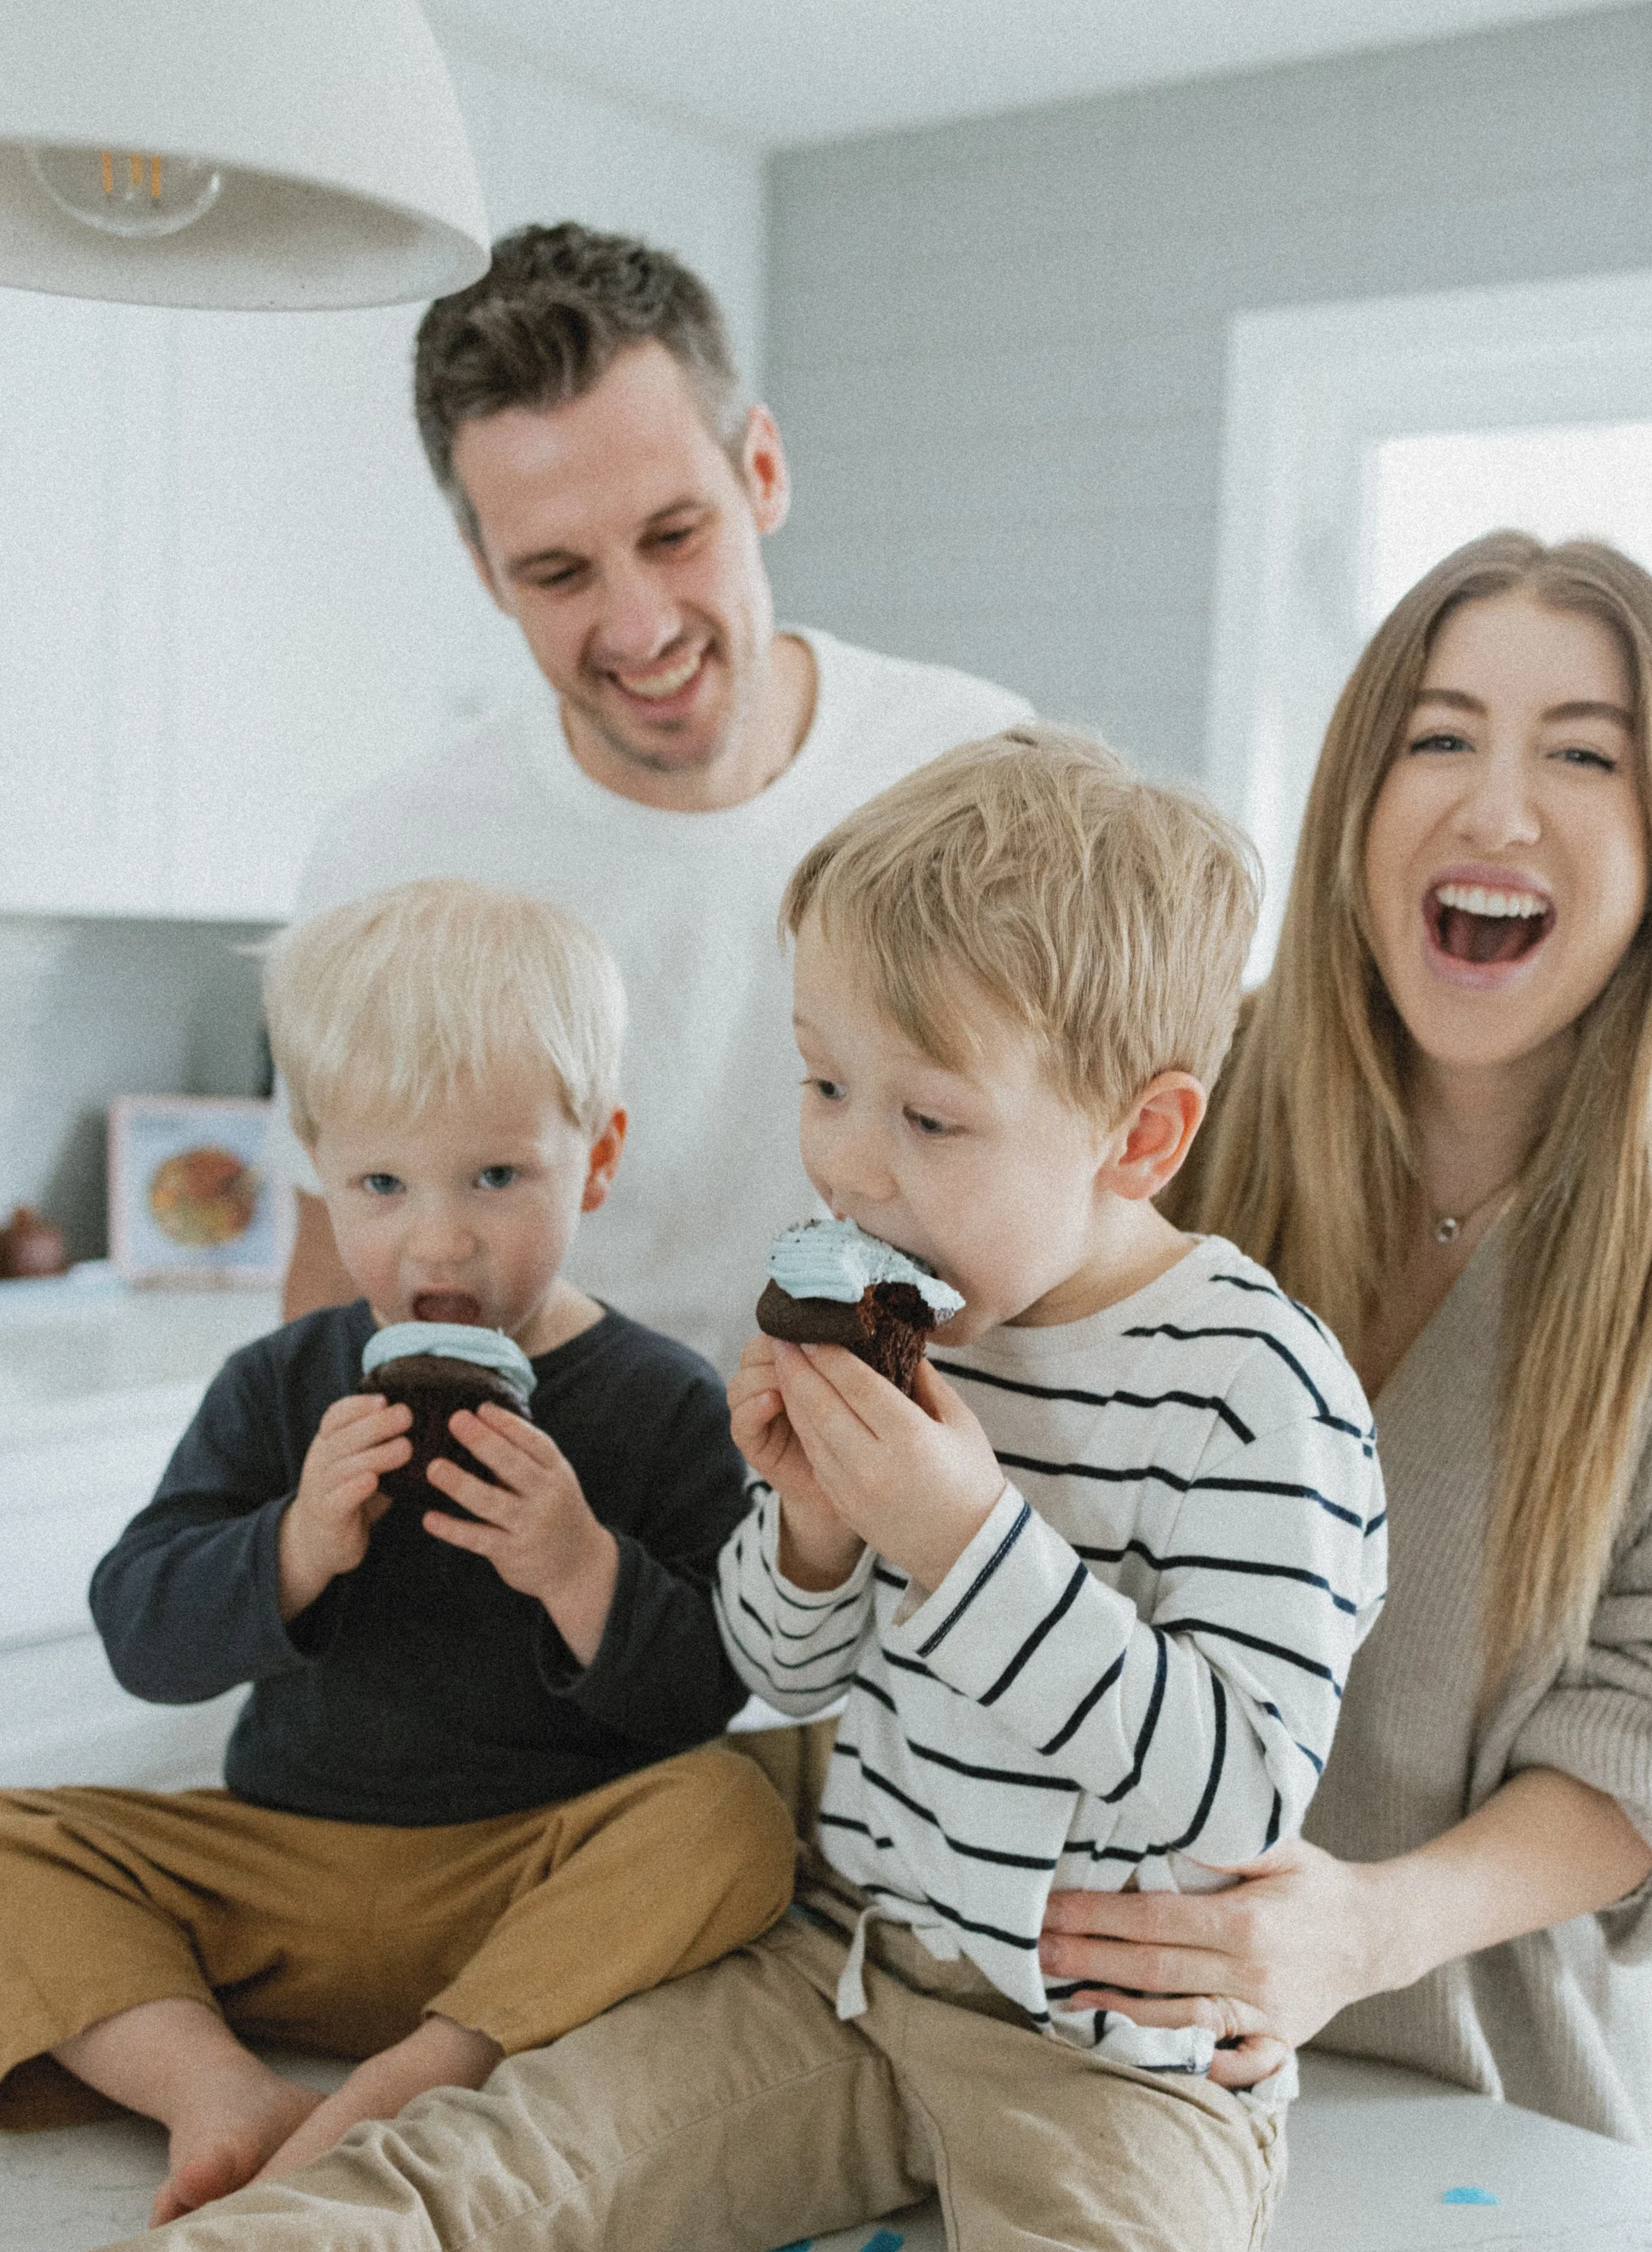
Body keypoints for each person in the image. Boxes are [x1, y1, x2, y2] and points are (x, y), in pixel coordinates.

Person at [116, 726, 1388, 2252]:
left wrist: (957, 1536)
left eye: (926, 1119)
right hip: (841, 1971)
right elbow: (784, 1673)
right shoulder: (913, 1326)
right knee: (476, 2178)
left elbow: (1235, 1786)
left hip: (1112, 2060)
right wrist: (810, 1533)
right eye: (825, 1083)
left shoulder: (1256, 1391)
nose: (847, 1167)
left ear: (1140, 1135)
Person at [1037, 533, 1652, 2152]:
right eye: (1438, 737)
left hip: (1487, 2113)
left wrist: (1356, 1931)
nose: (1495, 810)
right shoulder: (1172, 1121)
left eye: (1582, 754)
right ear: (1354, 797)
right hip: (1081, 2069)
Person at [0, 879, 794, 2225]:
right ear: (316, 1163)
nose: (438, 1237)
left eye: (496, 1176)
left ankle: (425, 2073)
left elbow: (708, 1688)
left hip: (531, 1879)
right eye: (381, 1182)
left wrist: (580, 1570)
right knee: (16, 1836)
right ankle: (213, 2086)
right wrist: (294, 1547)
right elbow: (140, 1630)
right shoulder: (283, 1381)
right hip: (275, 1868)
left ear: (593, 1159)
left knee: (734, 1817)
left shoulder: (658, 1397)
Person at [272, 222, 1030, 1377]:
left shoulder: (979, 772)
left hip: (913, 1500)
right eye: (558, 574)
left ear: (762, 472)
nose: (638, 628)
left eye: (674, 536)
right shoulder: (391, 858)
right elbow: (330, 1286)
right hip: (554, 1506)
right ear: (486, 572)